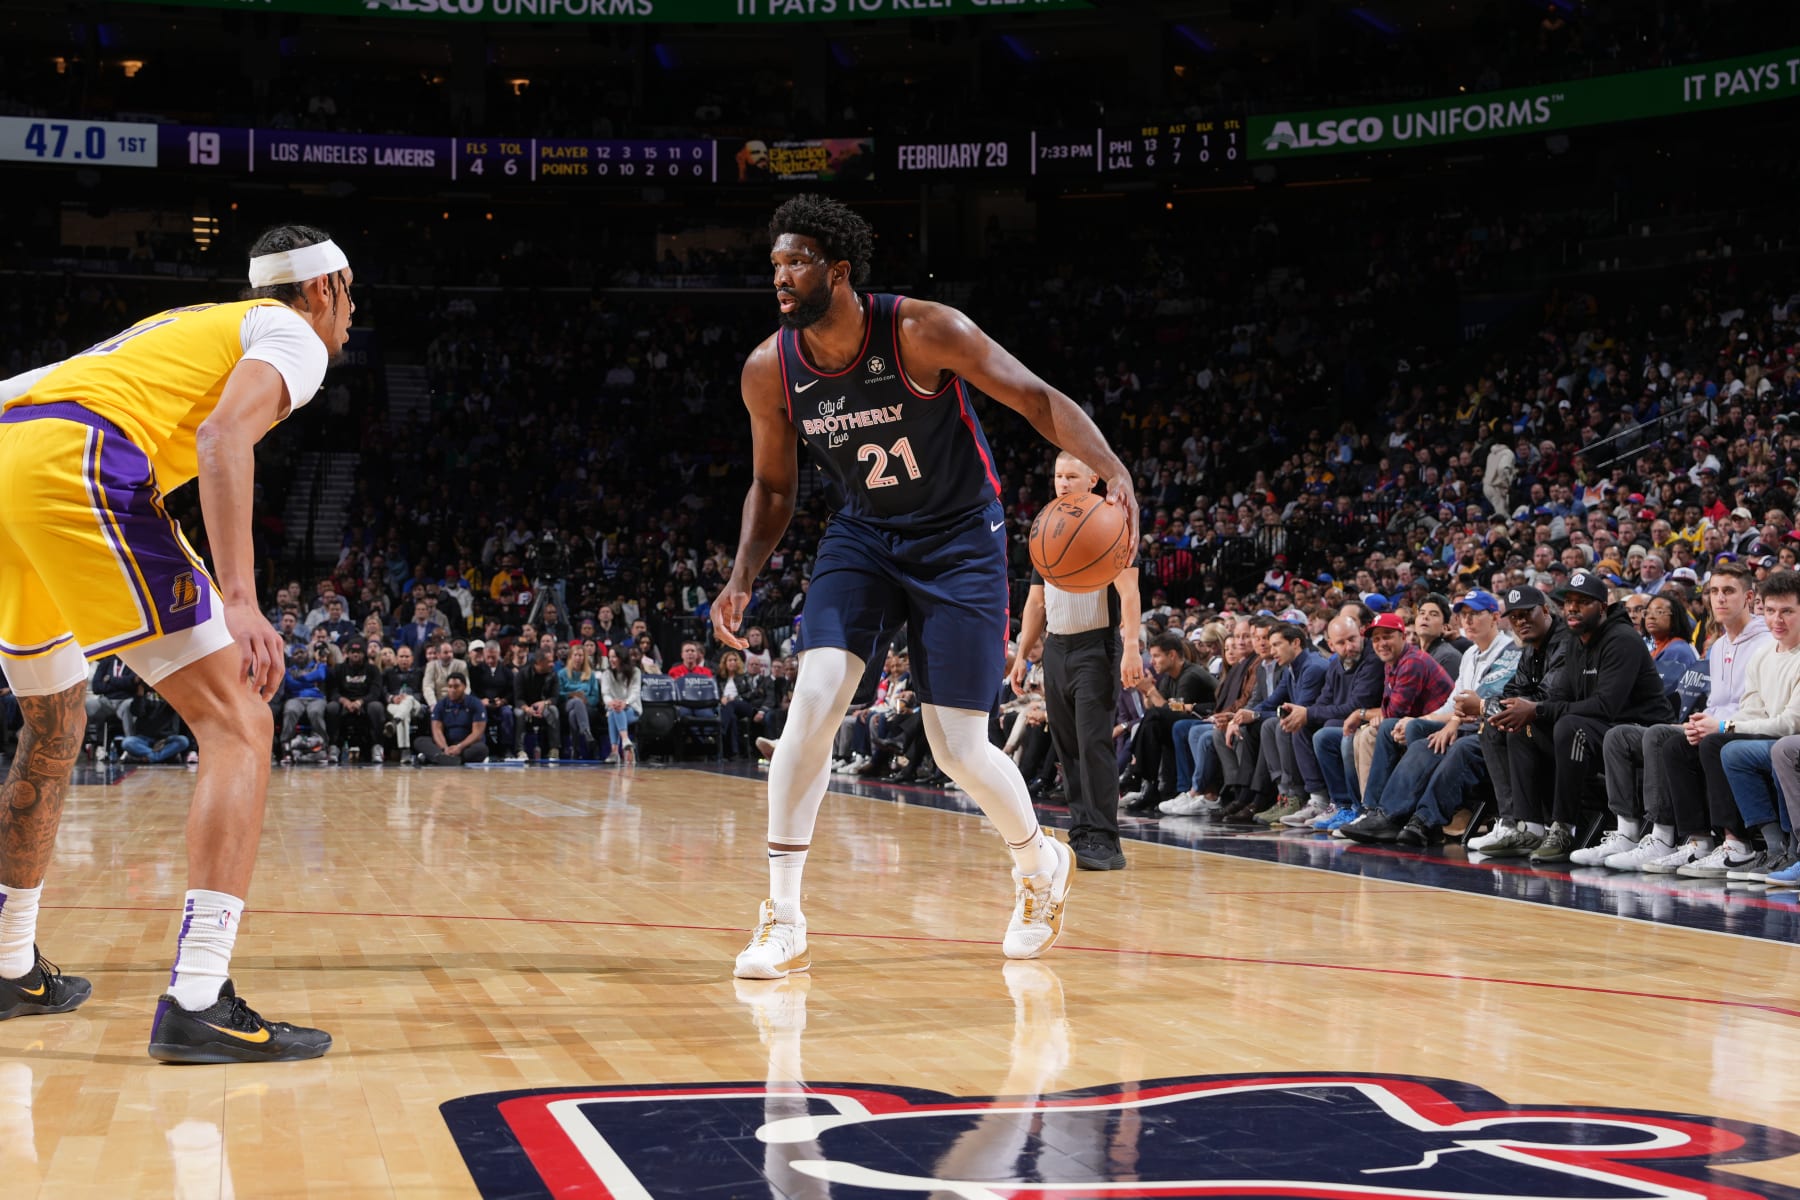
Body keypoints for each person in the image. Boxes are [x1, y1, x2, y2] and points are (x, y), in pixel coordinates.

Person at [713, 194, 1136, 977]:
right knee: (813, 701)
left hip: (959, 542)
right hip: (864, 536)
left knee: (958, 748)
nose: (780, 275)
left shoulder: (920, 329)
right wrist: (742, 575)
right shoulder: (771, 368)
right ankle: (784, 915)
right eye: (773, 263)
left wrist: (1111, 469)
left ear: (838, 270)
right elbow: (773, 490)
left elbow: (1035, 397)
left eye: (796, 260)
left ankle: (1040, 864)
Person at [0, 223, 347, 1062]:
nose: (346, 319)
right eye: (349, 300)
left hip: (13, 453)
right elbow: (223, 439)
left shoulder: (178, 330)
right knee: (240, 721)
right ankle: (199, 997)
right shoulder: (294, 334)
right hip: (74, 462)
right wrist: (241, 599)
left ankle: (8, 964)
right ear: (326, 289)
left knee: (53, 722)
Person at [1010, 452, 1144, 871]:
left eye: (1072, 476)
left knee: (1093, 744)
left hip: (1095, 646)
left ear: (1093, 480)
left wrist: (1133, 646)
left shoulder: (1109, 521)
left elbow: (1130, 592)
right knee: (1067, 746)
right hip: (1056, 648)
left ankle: (1107, 840)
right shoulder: (1047, 524)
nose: (1062, 482)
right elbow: (1035, 602)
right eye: (1058, 475)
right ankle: (1083, 829)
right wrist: (1021, 654)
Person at [414, 674, 488, 766]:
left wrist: (459, 747)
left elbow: (477, 733)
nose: (453, 690)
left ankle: (439, 758)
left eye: (456, 687)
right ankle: (448, 758)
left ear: (464, 687)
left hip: (466, 745)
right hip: (447, 744)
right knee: (420, 741)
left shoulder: (475, 703)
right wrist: (444, 748)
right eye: (450, 687)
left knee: (481, 749)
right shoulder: (441, 704)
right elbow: (437, 730)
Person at [600, 646, 642, 762]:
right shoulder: (607, 673)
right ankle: (625, 740)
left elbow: (635, 692)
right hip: (614, 707)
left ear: (622, 658)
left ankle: (614, 752)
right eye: (610, 657)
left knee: (615, 712)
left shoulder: (635, 672)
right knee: (615, 711)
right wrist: (611, 702)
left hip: (632, 709)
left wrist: (625, 703)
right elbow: (605, 694)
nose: (611, 660)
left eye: (614, 657)